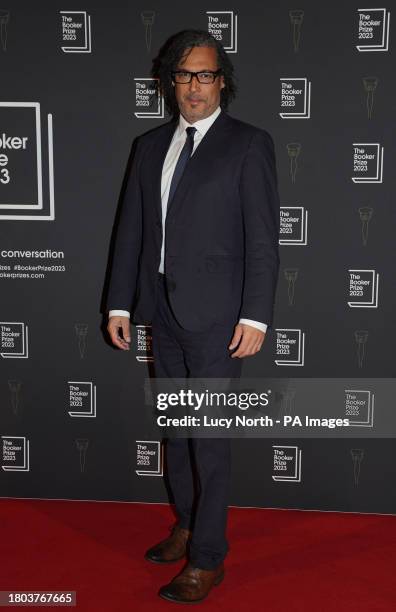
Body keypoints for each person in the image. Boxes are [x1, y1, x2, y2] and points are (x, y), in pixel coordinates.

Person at [106, 29, 280, 604]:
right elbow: (130, 230)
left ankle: (208, 557)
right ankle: (185, 522)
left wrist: (255, 317)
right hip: (161, 313)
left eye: (205, 74)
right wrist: (120, 301)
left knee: (208, 438)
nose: (194, 87)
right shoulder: (149, 145)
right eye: (184, 75)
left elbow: (262, 240)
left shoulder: (249, 145)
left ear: (222, 81)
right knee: (175, 433)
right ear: (169, 83)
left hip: (216, 320)